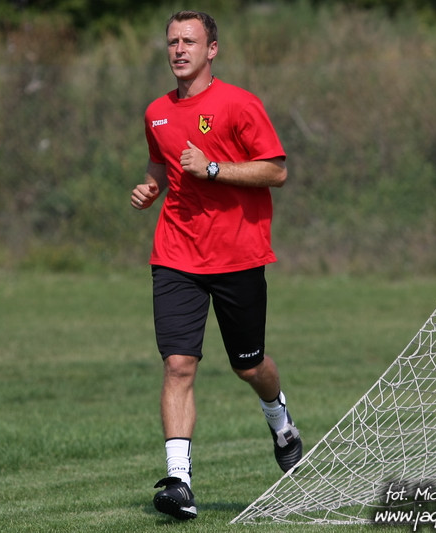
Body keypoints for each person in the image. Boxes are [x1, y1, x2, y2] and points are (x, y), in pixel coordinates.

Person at [130, 10, 302, 521]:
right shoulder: (156, 112)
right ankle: (178, 482)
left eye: (190, 41)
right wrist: (150, 187)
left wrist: (212, 168)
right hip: (176, 253)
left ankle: (279, 419)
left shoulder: (239, 104)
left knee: (249, 365)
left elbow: (276, 171)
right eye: (172, 41)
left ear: (212, 50)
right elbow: (160, 164)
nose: (179, 49)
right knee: (178, 364)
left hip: (237, 254)